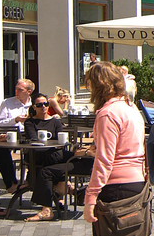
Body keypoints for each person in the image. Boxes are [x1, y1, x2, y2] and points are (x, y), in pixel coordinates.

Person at [82, 61, 147, 229]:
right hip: (137, 183)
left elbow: (104, 160)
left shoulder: (108, 114)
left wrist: (91, 197)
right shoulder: (130, 107)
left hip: (116, 187)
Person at [23, 93, 94, 222]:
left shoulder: (55, 121)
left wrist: (56, 145)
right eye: (39, 105)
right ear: (34, 107)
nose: (43, 107)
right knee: (68, 156)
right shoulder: (30, 122)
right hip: (39, 155)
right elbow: (33, 138)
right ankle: (70, 189)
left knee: (47, 169)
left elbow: (60, 139)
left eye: (45, 104)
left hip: (53, 155)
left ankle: (48, 207)